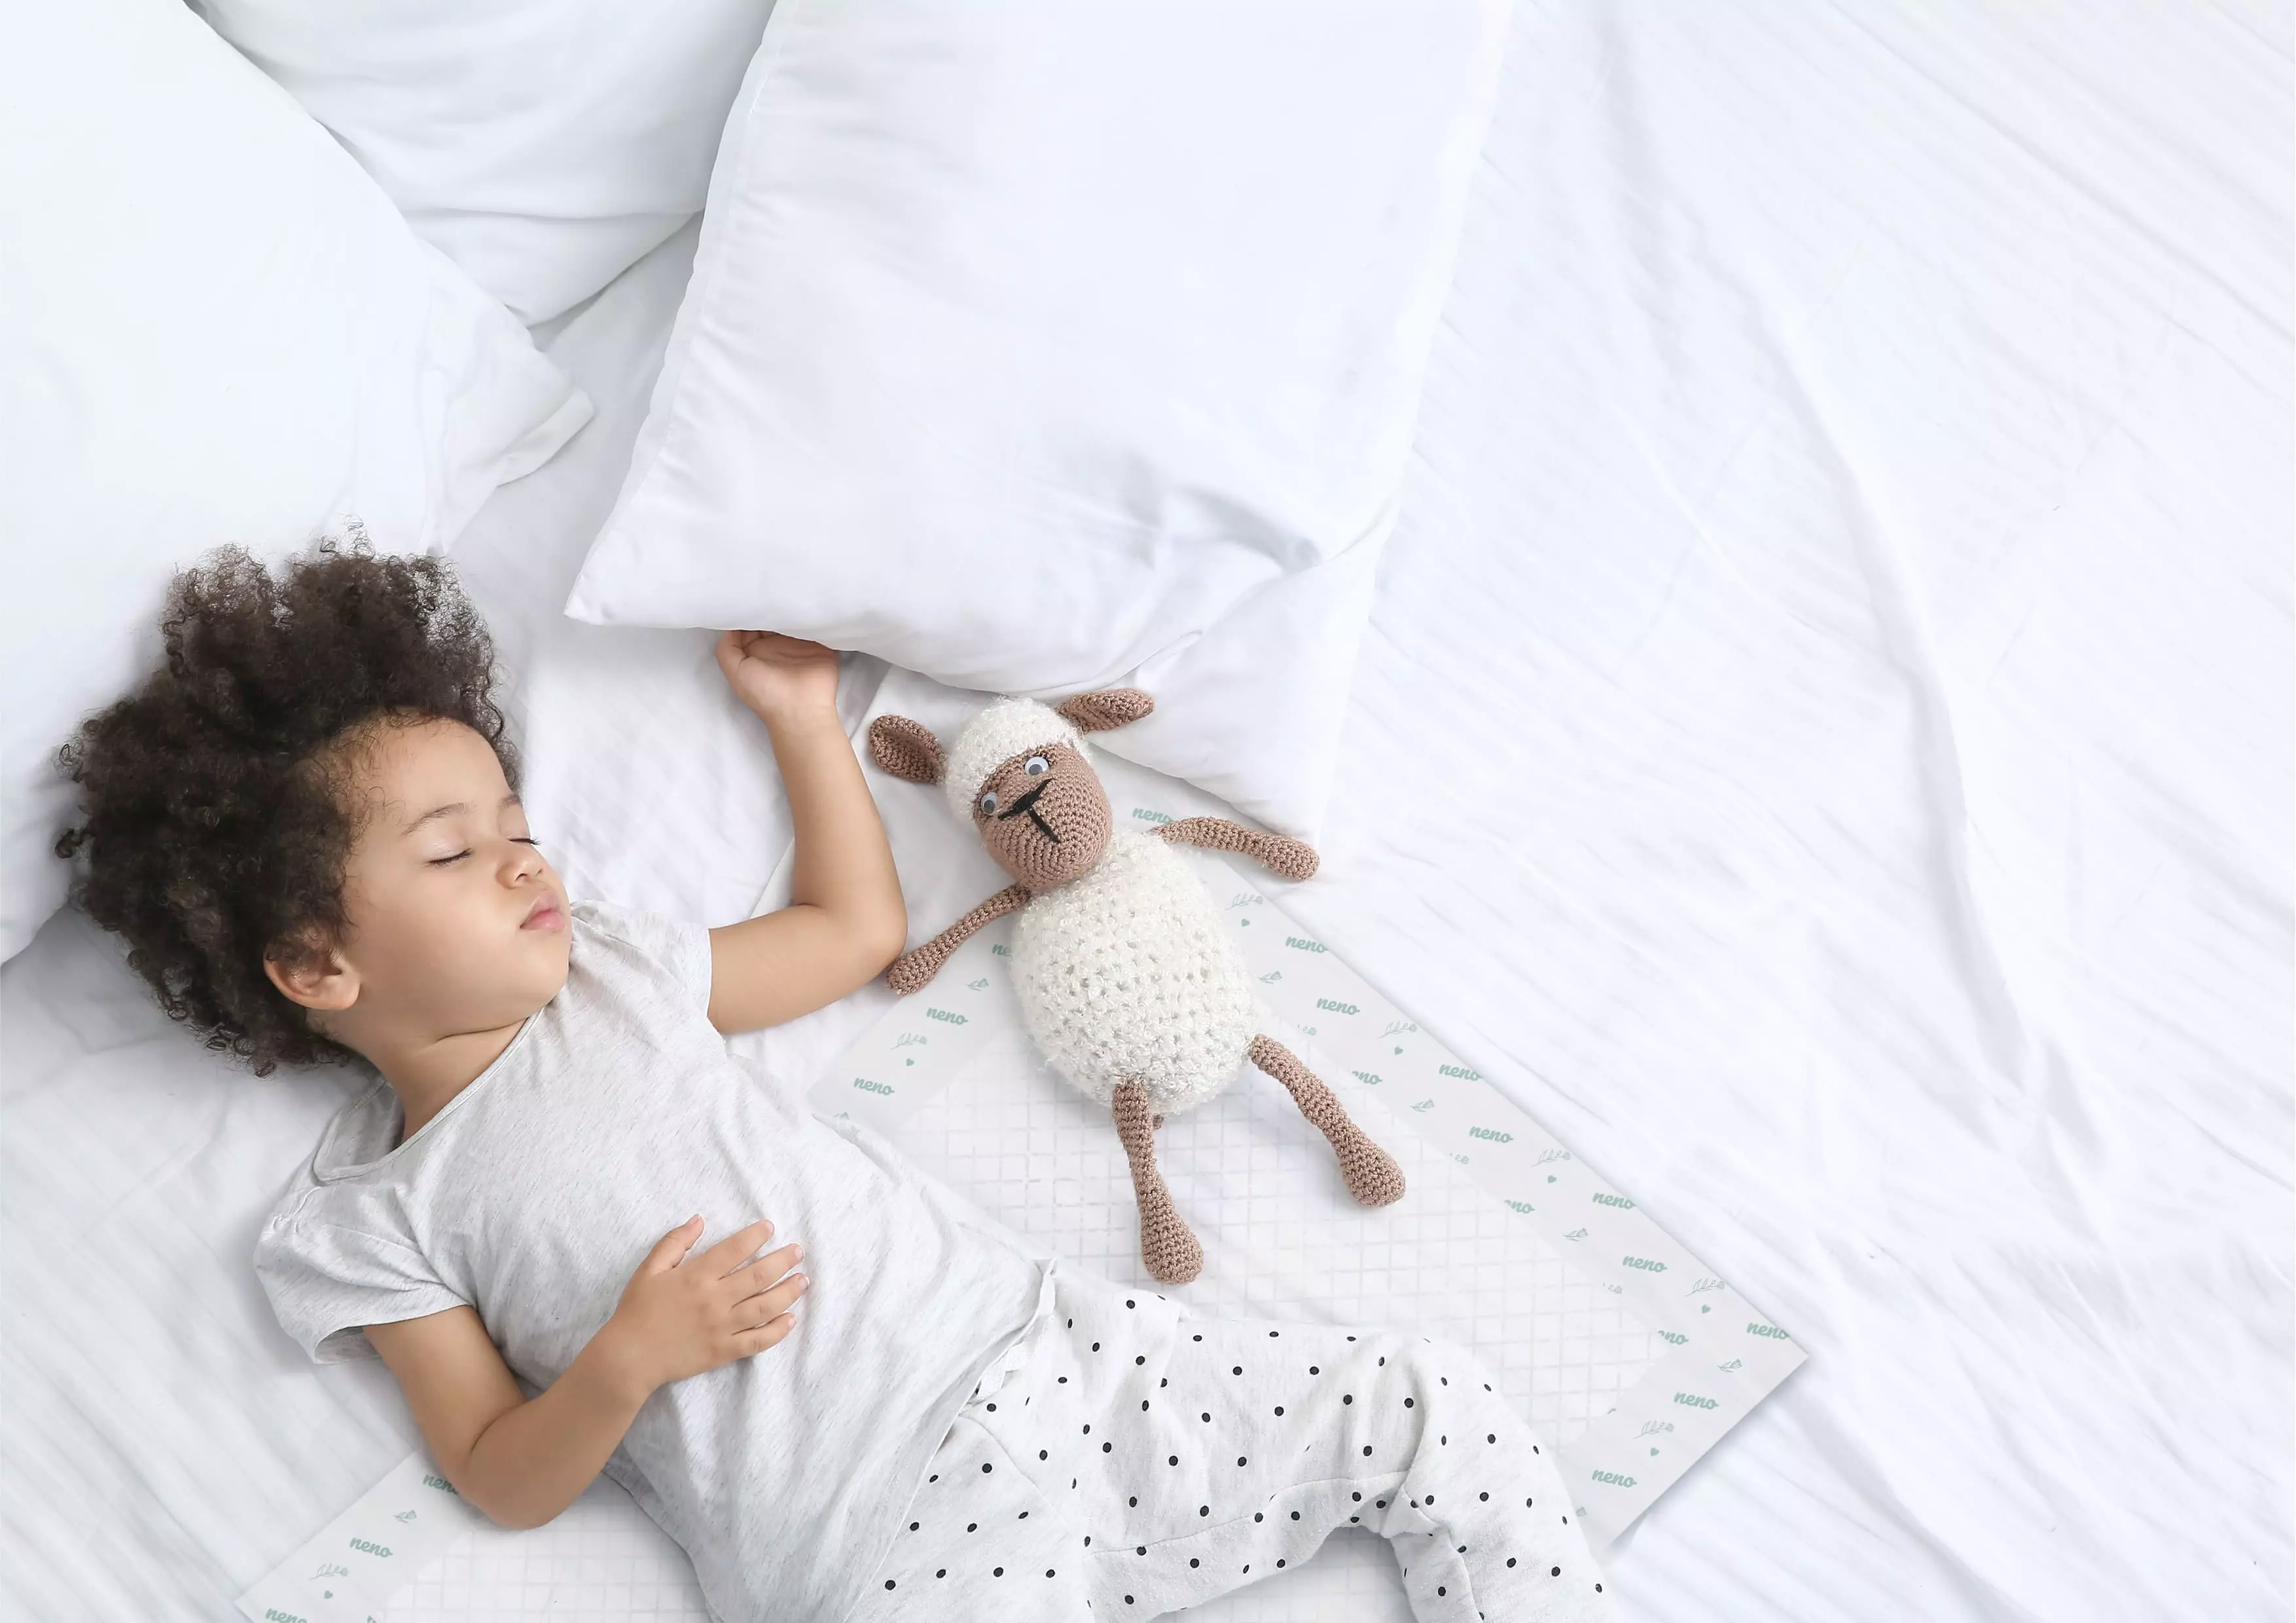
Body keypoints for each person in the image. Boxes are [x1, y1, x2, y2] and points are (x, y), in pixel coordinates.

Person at [58, 541, 1611, 1622]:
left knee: (1433, 1407)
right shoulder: (371, 1215)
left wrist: (806, 720)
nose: (523, 853)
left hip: (1052, 1354)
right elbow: (496, 1474)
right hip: (875, 1524)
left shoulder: (616, 967)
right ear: (318, 966)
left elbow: (853, 930)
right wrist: (624, 1359)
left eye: (513, 814)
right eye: (455, 851)